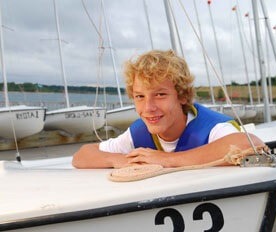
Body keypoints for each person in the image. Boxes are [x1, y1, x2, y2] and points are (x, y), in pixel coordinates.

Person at [72, 49, 265, 169]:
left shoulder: (211, 128)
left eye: (160, 95)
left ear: (182, 96)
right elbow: (82, 155)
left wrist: (167, 159)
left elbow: (250, 144)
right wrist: (118, 160)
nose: (148, 107)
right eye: (140, 96)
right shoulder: (138, 133)